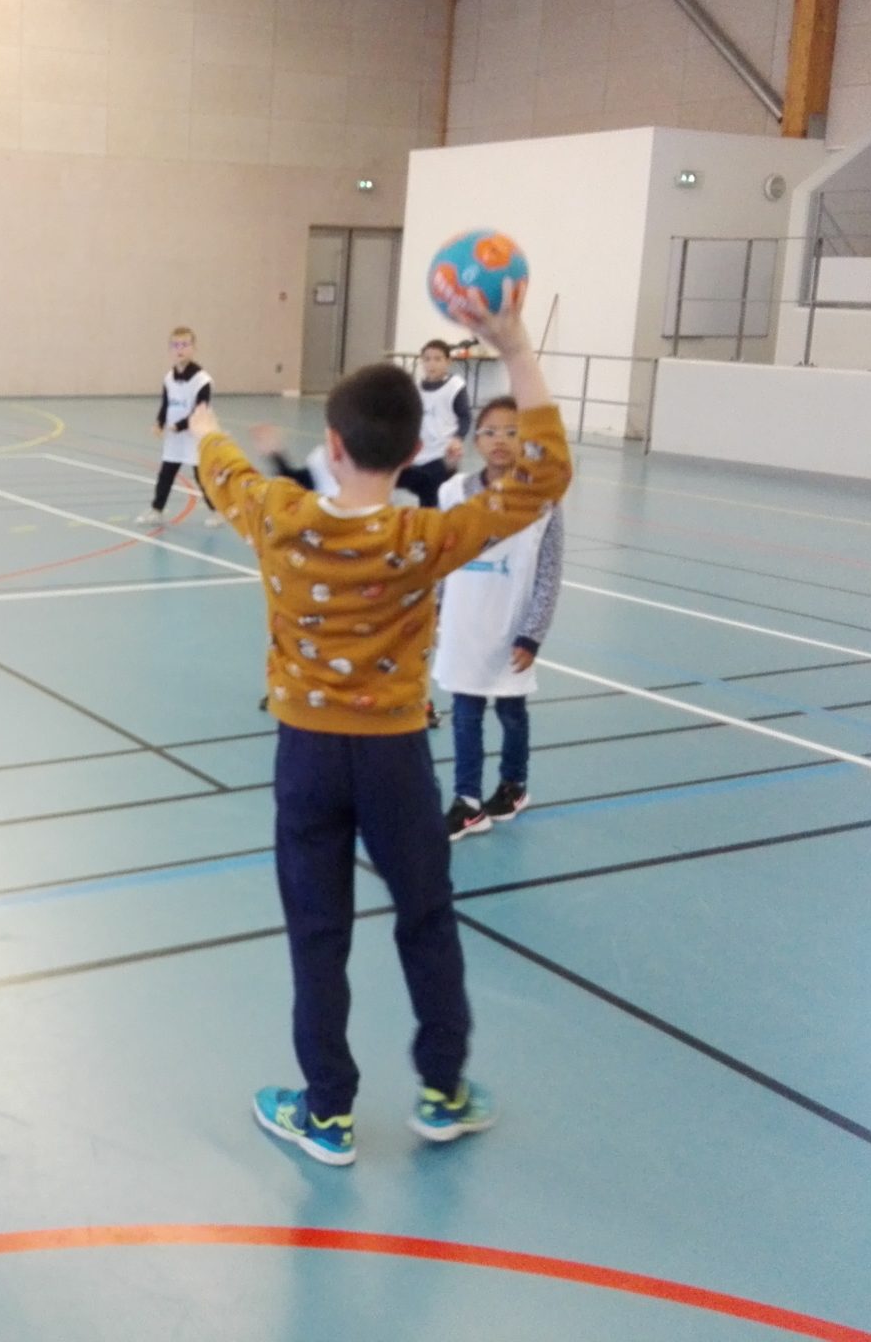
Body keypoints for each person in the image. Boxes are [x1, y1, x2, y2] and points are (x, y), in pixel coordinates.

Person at [190, 286, 570, 1163]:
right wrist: (512, 345)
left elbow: (222, 470)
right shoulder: (426, 534)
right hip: (397, 759)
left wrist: (204, 419)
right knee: (426, 916)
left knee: (317, 933)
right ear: (414, 454)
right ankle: (441, 1090)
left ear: (332, 446)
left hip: (308, 758)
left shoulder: (281, 518)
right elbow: (545, 477)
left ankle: (327, 1111)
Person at [248, 421, 439, 730]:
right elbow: (298, 483)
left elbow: (427, 482)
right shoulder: (322, 461)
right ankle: (296, 693)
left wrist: (432, 509)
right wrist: (276, 456)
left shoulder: (380, 463)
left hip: (372, 563)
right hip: (326, 565)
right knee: (312, 634)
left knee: (388, 642)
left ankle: (420, 704)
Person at [436, 396, 564, 840]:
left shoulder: (543, 501)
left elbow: (549, 572)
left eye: (513, 432)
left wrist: (533, 634)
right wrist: (433, 612)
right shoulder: (452, 493)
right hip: (462, 628)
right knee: (465, 713)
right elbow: (441, 555)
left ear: (527, 442)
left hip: (510, 630)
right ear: (476, 441)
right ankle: (468, 801)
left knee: (511, 711)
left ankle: (513, 785)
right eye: (490, 432)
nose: (501, 441)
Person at [140, 326, 220, 527]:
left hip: (195, 436)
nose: (180, 349)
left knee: (201, 476)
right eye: (175, 345)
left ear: (193, 348)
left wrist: (181, 425)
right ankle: (156, 510)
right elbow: (166, 404)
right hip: (174, 438)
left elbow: (200, 409)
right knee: (166, 473)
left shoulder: (202, 380)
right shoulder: (169, 378)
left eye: (185, 344)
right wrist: (159, 423)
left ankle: (217, 510)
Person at [396, 338, 470, 509]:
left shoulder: (455, 386)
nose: (432, 364)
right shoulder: (416, 388)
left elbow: (465, 417)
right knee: (426, 499)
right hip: (420, 454)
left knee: (440, 499)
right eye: (427, 359)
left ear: (448, 361)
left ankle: (441, 529)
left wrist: (458, 438)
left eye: (438, 359)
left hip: (443, 454)